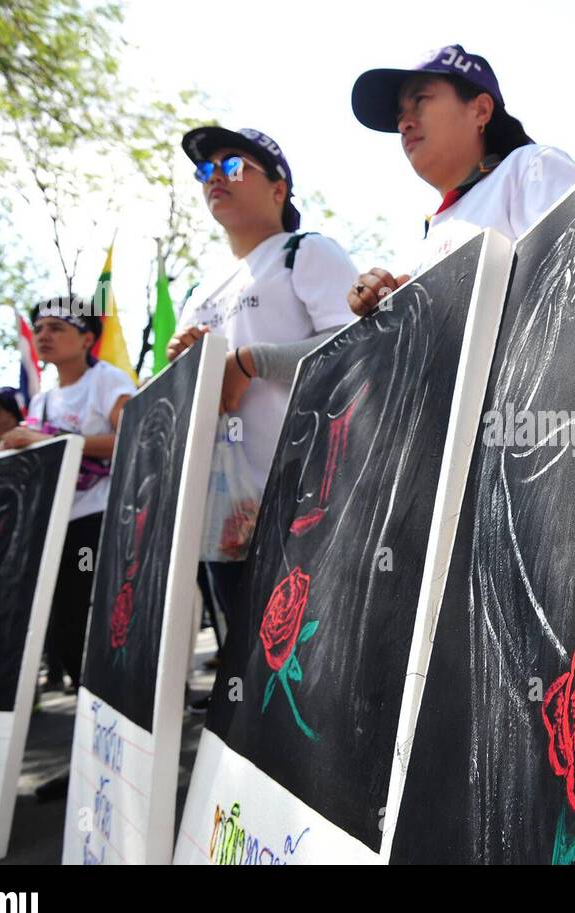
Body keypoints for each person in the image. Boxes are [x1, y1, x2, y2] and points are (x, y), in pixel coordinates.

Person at [164, 127, 358, 682]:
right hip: (227, 515)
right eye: (205, 172)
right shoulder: (199, 295)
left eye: (233, 165)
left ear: (279, 188)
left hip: (310, 501)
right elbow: (191, 405)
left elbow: (357, 352)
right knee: (251, 665)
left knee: (319, 664)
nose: (214, 179)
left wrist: (250, 362)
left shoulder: (304, 253)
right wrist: (186, 366)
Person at [347, 44, 575, 314]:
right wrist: (377, 304)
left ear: (481, 110)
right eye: (400, 116)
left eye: (420, 100)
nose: (404, 124)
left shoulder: (530, 167)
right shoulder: (424, 246)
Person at [0, 297, 135, 690]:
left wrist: (48, 439)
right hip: (53, 520)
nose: (44, 336)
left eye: (57, 328)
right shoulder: (42, 400)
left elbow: (131, 435)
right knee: (62, 619)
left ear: (86, 338)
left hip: (100, 515)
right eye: (39, 328)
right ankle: (87, 700)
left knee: (97, 609)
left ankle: (118, 697)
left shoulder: (106, 379)